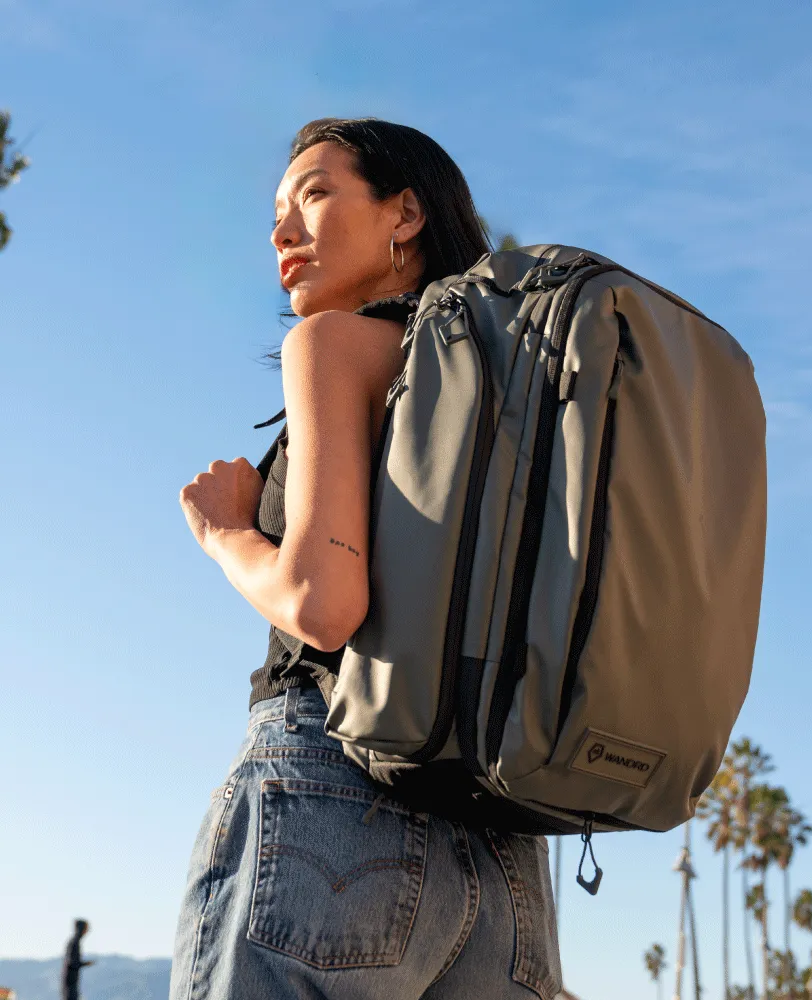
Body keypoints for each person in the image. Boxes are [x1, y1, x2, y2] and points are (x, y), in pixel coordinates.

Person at [170, 118, 561, 1000]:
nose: (280, 231)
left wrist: (226, 529)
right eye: (277, 211)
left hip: (336, 792)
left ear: (405, 214)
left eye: (313, 194)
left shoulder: (336, 344)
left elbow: (323, 604)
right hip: (504, 843)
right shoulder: (521, 386)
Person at [61, 920, 94, 1000]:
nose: (87, 931)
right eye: (86, 928)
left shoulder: (74, 941)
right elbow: (72, 962)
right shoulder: (75, 942)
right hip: (71, 979)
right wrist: (86, 964)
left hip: (71, 978)